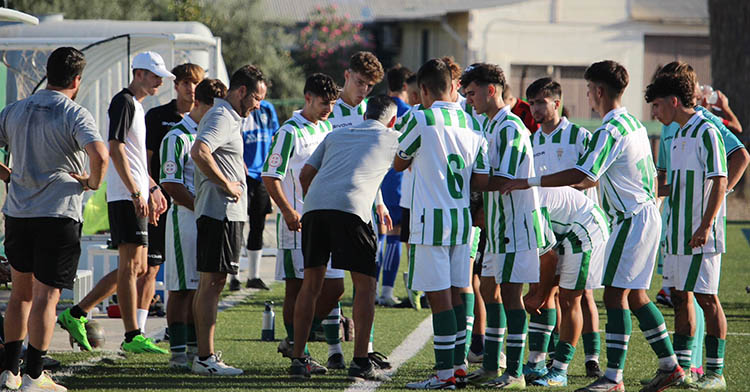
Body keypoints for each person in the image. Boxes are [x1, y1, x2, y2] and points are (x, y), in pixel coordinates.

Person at [500, 60, 685, 392]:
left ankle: (613, 378)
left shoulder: (611, 128)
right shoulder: (633, 123)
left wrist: (530, 181)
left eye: (588, 89)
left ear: (598, 91)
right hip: (641, 215)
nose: (587, 95)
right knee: (637, 297)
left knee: (615, 296)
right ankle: (669, 365)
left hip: (630, 218)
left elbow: (585, 177)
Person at [0, 46, 108, 391]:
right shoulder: (75, 113)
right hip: (57, 214)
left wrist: (8, 176)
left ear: (47, 73)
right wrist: (91, 182)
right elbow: (100, 156)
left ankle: (9, 372)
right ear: (77, 79)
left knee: (20, 295)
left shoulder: (14, 110)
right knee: (47, 296)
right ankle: (34, 375)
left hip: (18, 213)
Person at [291, 95, 401, 382]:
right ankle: (362, 360)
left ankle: (299, 358)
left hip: (314, 207)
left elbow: (305, 175)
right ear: (391, 120)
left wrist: (315, 202)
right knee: (365, 286)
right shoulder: (392, 136)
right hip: (352, 210)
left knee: (311, 284)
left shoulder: (335, 133)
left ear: (365, 114)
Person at [652, 61, 748, 385]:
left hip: (701, 233)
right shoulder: (677, 135)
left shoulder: (707, 129)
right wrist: (648, 190)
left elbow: (720, 179)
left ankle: (715, 373)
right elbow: (675, 185)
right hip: (677, 232)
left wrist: (706, 225)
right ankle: (680, 370)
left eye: (657, 105)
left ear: (673, 101)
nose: (654, 113)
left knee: (707, 299)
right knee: (680, 296)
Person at [396, 58, 489, 390]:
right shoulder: (472, 123)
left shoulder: (420, 118)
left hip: (430, 221)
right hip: (462, 221)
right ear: (454, 87)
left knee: (439, 299)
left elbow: (397, 162)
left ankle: (445, 374)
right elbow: (480, 178)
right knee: (459, 292)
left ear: (422, 90)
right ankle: (459, 366)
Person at [461, 63, 550, 389]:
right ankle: (492, 363)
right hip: (498, 226)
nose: (469, 99)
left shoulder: (510, 127)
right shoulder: (490, 125)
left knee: (512, 296)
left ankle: (515, 373)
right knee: (488, 289)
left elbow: (507, 180)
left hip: (517, 225)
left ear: (491, 90)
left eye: (472, 93)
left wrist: (465, 181)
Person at [262, 73, 343, 374]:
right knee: (296, 289)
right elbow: (270, 177)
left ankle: (294, 340)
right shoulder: (289, 132)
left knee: (333, 288)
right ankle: (301, 354)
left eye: (332, 104)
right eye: (324, 103)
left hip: (326, 221)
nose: (328, 110)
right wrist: (286, 211)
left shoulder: (326, 127)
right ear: (307, 98)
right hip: (297, 223)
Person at [524, 77, 604, 380]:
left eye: (541, 102)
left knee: (583, 295)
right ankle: (546, 358)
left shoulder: (579, 136)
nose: (535, 109)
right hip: (547, 224)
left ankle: (592, 357)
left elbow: (592, 178)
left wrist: (564, 193)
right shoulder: (533, 139)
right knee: (550, 294)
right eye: (532, 103)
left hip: (577, 226)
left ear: (556, 103)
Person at [189, 65, 267, 375]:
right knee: (213, 283)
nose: (258, 105)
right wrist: (227, 183)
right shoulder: (222, 116)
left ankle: (203, 355)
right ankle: (205, 358)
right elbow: (200, 151)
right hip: (218, 211)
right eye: (257, 98)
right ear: (241, 92)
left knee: (212, 282)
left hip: (222, 212)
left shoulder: (230, 117)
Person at [326, 51, 391, 369]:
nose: (364, 89)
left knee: (365, 281)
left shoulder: (369, 114)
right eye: (361, 82)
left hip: (362, 208)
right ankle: (333, 349)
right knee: (332, 282)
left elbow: (371, 164)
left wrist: (380, 202)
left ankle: (365, 348)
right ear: (347, 74)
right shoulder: (327, 109)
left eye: (370, 85)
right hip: (330, 206)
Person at [106, 51, 171, 354]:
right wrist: (134, 191)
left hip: (135, 195)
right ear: (139, 73)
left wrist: (151, 190)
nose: (160, 81)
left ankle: (79, 311)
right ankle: (133, 335)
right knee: (131, 266)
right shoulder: (123, 102)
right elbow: (115, 147)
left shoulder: (138, 106)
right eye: (155, 75)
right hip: (124, 196)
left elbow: (135, 159)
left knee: (139, 265)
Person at [159, 78, 227, 369]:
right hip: (185, 218)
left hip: (208, 219)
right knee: (182, 286)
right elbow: (171, 184)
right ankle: (177, 354)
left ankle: (194, 350)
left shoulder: (211, 134)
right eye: (212, 109)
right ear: (197, 104)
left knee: (202, 285)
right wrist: (201, 207)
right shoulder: (177, 136)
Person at [523, 187, 610, 387]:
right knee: (541, 291)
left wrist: (539, 295)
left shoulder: (526, 207)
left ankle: (560, 370)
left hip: (585, 231)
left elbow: (549, 258)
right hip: (565, 230)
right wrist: (537, 293)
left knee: (569, 298)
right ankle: (536, 363)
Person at [141, 63, 205, 332]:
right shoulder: (158, 116)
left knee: (191, 276)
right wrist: (152, 191)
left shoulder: (207, 120)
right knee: (152, 267)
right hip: (162, 202)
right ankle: (139, 329)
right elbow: (146, 161)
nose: (191, 89)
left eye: (197, 84)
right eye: (186, 83)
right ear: (176, 85)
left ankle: (183, 333)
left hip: (192, 206)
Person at [227, 98, 279, 291]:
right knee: (238, 225)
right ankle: (234, 276)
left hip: (262, 175)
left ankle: (254, 275)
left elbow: (274, 135)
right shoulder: (237, 109)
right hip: (242, 175)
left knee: (259, 224)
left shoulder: (268, 108)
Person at [377, 64, 414, 307]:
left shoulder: (378, 107)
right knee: (393, 234)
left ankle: (370, 288)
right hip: (398, 179)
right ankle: (387, 291)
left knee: (377, 235)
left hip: (376, 178)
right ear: (404, 86)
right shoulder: (410, 112)